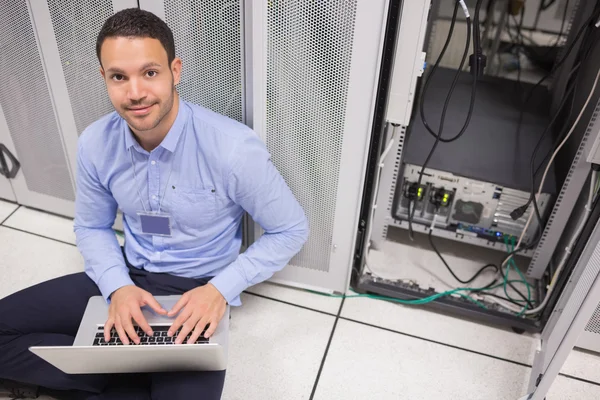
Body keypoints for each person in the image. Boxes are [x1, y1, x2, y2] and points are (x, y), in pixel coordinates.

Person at [0, 8, 309, 400]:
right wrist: (117, 288)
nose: (135, 93)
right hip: (128, 276)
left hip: (195, 291)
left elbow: (291, 228)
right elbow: (92, 226)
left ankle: (112, 378)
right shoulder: (96, 143)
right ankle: (113, 376)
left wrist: (219, 290)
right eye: (119, 77)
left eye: (150, 73)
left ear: (174, 71)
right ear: (104, 79)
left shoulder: (233, 149)